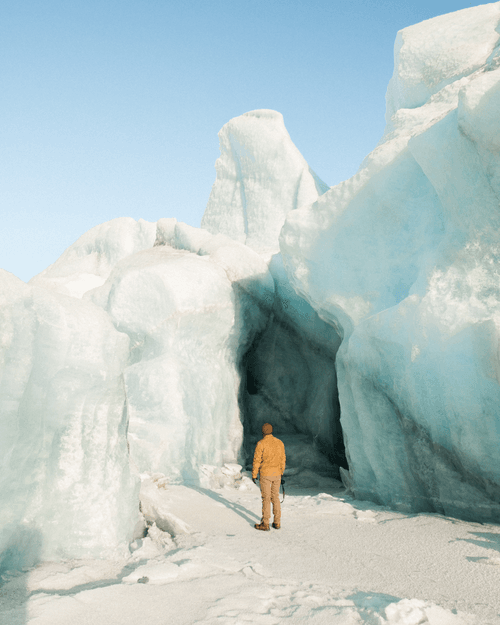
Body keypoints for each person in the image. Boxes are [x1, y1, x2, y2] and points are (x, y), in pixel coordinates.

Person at [252, 423, 286, 531]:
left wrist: (254, 474)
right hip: (277, 474)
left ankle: (265, 523)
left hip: (265, 474)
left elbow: (257, 460)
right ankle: (277, 522)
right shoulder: (279, 443)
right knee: (275, 497)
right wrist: (281, 471)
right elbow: (282, 459)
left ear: (263, 432)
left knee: (266, 499)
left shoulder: (261, 443)